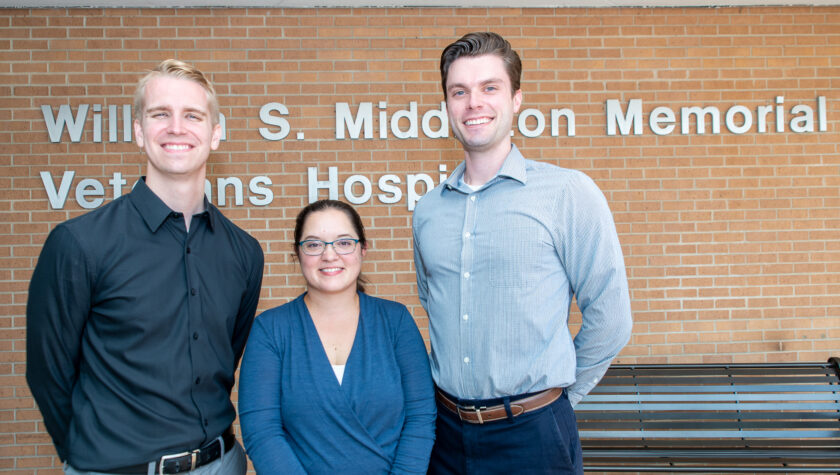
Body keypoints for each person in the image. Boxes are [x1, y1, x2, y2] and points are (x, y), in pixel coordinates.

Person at [26, 59, 264, 475]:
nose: (177, 127)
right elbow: (49, 374)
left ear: (216, 133)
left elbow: (225, 361)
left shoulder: (243, 252)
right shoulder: (80, 243)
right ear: (139, 131)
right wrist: (93, 458)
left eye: (193, 115)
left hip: (222, 463)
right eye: (160, 114)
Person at [412, 32, 633, 474]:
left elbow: (612, 317)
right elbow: (431, 304)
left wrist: (559, 398)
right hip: (447, 435)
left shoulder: (567, 193)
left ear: (516, 99)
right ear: (448, 106)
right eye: (460, 91)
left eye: (489, 88)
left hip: (534, 436)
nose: (474, 103)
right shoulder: (428, 211)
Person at [238, 199, 436, 474]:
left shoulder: (396, 321)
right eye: (314, 244)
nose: (329, 255)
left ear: (363, 249)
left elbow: (421, 417)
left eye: (344, 242)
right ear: (297, 254)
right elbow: (262, 432)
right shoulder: (270, 330)